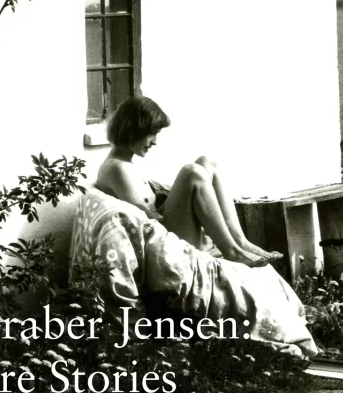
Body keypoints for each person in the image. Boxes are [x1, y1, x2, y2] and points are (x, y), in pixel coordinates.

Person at [94, 96, 283, 268]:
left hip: (165, 231)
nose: (155, 142)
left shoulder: (125, 164)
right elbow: (151, 226)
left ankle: (241, 242)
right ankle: (232, 251)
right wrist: (190, 199)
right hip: (163, 243)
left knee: (207, 163)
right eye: (152, 134)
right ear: (133, 130)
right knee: (191, 172)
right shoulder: (116, 169)